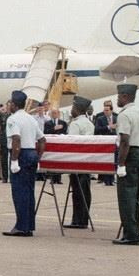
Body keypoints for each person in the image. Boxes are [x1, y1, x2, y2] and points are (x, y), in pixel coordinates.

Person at [3, 90, 46, 237]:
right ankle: (28, 226)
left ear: (14, 105)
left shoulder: (13, 119)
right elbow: (42, 140)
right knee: (29, 192)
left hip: (20, 155)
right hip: (31, 154)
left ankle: (21, 226)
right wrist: (37, 157)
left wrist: (14, 161)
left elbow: (16, 139)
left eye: (10, 103)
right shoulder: (31, 119)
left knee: (19, 192)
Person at [113, 83, 139, 245]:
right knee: (135, 197)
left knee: (126, 197)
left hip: (130, 155)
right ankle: (133, 232)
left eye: (119, 96)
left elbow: (125, 142)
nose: (117, 99)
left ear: (125, 96)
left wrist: (121, 164)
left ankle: (131, 235)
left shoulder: (125, 115)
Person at [64, 96, 95, 228]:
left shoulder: (75, 124)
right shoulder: (89, 123)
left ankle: (77, 220)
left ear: (78, 109)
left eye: (73, 107)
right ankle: (83, 219)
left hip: (76, 161)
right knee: (85, 191)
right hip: (87, 161)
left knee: (77, 192)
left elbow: (71, 143)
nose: (71, 110)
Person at [94, 100, 118, 185]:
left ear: (111, 110)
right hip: (105, 142)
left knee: (113, 161)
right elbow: (97, 130)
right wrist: (108, 127)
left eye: (107, 110)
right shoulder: (100, 119)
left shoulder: (117, 118)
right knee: (106, 161)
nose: (105, 112)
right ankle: (106, 180)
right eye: (104, 110)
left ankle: (112, 179)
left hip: (114, 142)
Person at [43, 109, 67, 184]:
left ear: (58, 114)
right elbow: (45, 132)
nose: (54, 114)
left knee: (59, 161)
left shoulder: (63, 123)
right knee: (52, 160)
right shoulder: (47, 123)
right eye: (52, 113)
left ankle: (58, 178)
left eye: (55, 113)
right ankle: (52, 178)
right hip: (52, 144)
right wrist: (54, 129)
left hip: (60, 144)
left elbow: (65, 132)